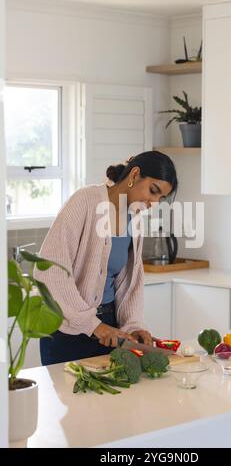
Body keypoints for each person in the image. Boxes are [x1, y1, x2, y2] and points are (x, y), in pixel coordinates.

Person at [34, 151, 178, 365]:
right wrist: (92, 324)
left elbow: (130, 281)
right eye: (153, 191)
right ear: (135, 174)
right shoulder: (85, 201)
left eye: (160, 198)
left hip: (110, 328)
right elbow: (50, 271)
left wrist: (133, 325)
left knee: (111, 397)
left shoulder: (135, 219)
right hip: (67, 329)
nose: (153, 203)